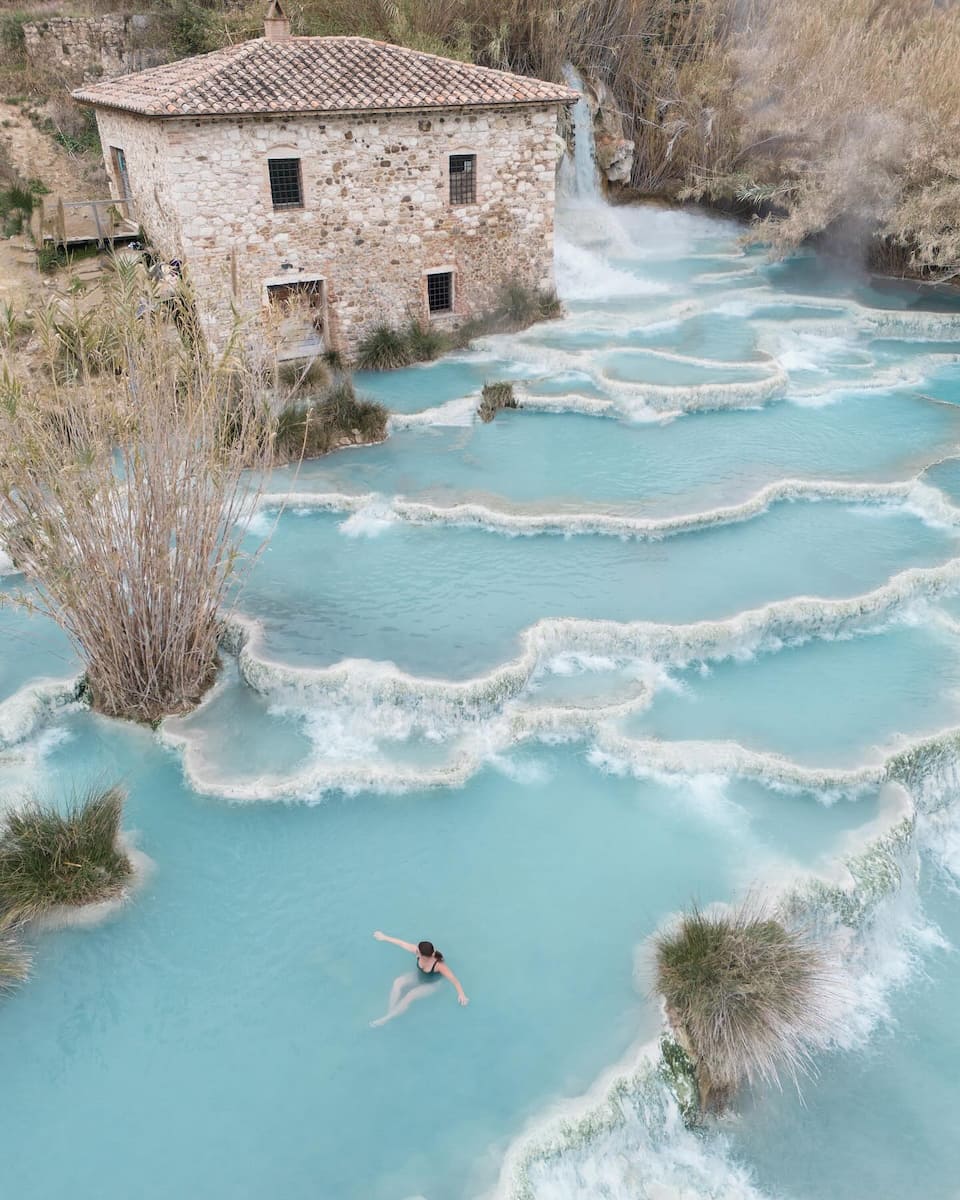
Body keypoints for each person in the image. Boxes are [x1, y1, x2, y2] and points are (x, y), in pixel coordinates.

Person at [370, 931, 469, 1026]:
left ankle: (387, 1018)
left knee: (410, 996)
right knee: (398, 982)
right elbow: (401, 943)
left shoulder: (439, 966)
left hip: (433, 984)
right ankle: (390, 1011)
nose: (415, 949)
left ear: (421, 954)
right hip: (420, 976)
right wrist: (384, 937)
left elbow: (454, 980)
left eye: (417, 950)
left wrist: (461, 994)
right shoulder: (418, 952)